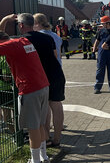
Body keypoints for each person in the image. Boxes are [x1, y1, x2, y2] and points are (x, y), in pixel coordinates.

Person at [0, 15, 51, 163]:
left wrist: (5, 20)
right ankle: (44, 156)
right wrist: (6, 20)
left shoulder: (10, 46)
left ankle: (35, 161)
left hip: (30, 89)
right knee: (40, 124)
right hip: (42, 85)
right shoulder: (22, 41)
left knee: (32, 128)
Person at [16, 13, 66, 149]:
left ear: (22, 25)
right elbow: (55, 56)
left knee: (44, 109)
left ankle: (46, 138)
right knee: (56, 105)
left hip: (42, 76)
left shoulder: (24, 40)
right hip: (56, 73)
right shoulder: (48, 37)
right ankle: (57, 138)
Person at [92, 16, 110, 94]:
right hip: (101, 53)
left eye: (103, 23)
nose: (102, 25)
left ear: (108, 23)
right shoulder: (101, 31)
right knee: (100, 70)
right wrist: (93, 50)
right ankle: (97, 88)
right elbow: (97, 41)